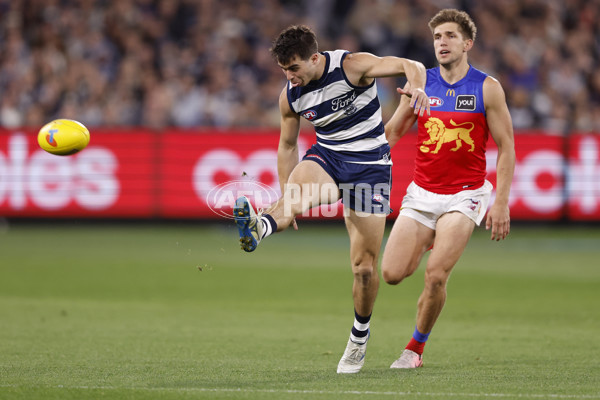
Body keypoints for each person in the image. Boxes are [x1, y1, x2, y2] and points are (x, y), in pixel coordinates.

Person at [233, 24, 430, 374]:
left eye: (294, 68)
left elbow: (411, 64)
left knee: (365, 269)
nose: (289, 77)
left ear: (314, 58)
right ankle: (260, 226)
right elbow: (288, 145)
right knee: (295, 197)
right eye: (283, 70)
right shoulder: (291, 95)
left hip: (369, 167)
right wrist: (284, 197)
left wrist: (416, 88)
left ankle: (358, 338)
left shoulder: (352, 66)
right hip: (328, 157)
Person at [381, 8, 516, 369]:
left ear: (467, 43)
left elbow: (506, 147)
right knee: (392, 274)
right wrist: (363, 166)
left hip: (465, 195)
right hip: (423, 193)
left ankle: (414, 350)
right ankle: (430, 238)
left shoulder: (487, 87)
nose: (442, 42)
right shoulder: (421, 84)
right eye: (438, 36)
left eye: (450, 36)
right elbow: (393, 132)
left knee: (436, 275)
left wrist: (500, 202)